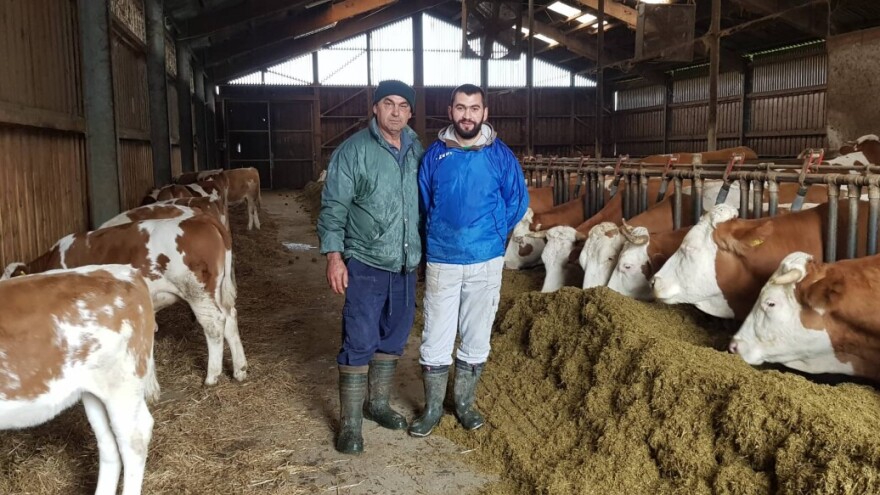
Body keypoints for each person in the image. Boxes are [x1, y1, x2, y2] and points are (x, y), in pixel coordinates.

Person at [409, 84, 528, 437]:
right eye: (460, 108)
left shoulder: (500, 155)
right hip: (443, 258)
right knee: (436, 332)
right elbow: (424, 201)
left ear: (484, 113)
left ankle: (463, 403)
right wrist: (442, 233)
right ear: (450, 112)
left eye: (474, 108)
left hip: (486, 259)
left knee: (477, 332)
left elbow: (516, 201)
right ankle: (432, 408)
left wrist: (491, 234)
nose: (467, 115)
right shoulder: (435, 155)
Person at [317, 80, 423, 455]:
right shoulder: (353, 152)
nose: (396, 112)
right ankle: (350, 425)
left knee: (394, 336)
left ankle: (376, 404)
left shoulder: (415, 149)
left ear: (410, 112)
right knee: (359, 339)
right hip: (365, 261)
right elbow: (334, 207)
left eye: (403, 106)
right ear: (375, 108)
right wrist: (334, 256)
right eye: (388, 104)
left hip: (406, 264)